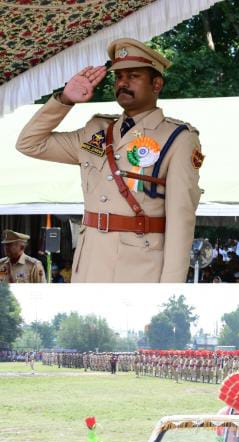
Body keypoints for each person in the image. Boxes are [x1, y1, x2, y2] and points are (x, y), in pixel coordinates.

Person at [16, 38, 202, 283]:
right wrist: (65, 100)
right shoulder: (96, 130)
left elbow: (181, 222)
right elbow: (29, 143)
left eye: (133, 76)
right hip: (89, 262)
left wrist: (170, 289)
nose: (122, 83)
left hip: (139, 268)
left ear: (156, 84)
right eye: (119, 77)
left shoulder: (178, 138)